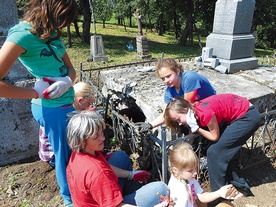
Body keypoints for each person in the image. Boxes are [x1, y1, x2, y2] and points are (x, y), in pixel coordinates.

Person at [0, 0, 78, 206]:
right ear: (50, 10)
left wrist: (67, 81)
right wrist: (34, 93)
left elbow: (71, 68)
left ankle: (78, 189)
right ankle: (70, 200)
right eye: (62, 18)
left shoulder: (50, 32)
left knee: (71, 151)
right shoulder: (21, 35)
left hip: (65, 103)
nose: (62, 26)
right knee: (63, 156)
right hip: (52, 108)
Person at [163, 94, 261, 199]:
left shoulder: (204, 112)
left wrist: (197, 129)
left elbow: (214, 137)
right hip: (241, 113)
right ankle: (237, 186)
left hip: (247, 117)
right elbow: (192, 134)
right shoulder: (194, 110)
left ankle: (219, 195)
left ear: (186, 109)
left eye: (179, 119)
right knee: (221, 152)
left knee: (215, 153)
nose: (180, 124)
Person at [66, 110, 169, 207]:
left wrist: (131, 175)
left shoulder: (79, 152)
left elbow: (105, 166)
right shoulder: (97, 173)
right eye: (95, 137)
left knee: (120, 157)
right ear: (82, 141)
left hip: (93, 197)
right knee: (162, 189)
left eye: (101, 132)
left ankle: (130, 194)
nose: (103, 138)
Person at [137, 58, 216, 133]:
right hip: (200, 114)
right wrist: (150, 125)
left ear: (177, 71)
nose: (166, 81)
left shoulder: (190, 78)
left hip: (213, 112)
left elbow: (186, 107)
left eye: (168, 76)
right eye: (163, 79)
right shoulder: (169, 91)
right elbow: (166, 114)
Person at [38, 82, 96, 166]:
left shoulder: (64, 105)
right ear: (80, 100)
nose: (88, 106)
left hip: (46, 152)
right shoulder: (68, 114)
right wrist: (88, 116)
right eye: (88, 103)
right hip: (54, 156)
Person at [168, 142, 243, 207]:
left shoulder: (186, 178)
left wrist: (220, 193)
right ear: (175, 170)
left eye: (195, 167)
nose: (195, 172)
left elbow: (201, 196)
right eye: (190, 170)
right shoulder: (179, 193)